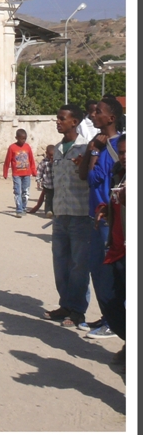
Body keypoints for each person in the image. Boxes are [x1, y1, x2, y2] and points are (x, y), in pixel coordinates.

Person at [75, 95, 123, 338]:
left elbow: (94, 178)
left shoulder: (117, 146)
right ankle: (110, 319)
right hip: (96, 216)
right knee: (98, 271)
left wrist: (96, 153)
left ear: (111, 118)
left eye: (98, 112)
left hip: (108, 218)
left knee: (107, 275)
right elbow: (83, 174)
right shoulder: (98, 142)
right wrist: (93, 149)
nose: (93, 115)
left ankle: (114, 324)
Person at [43, 104, 91, 329]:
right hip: (60, 215)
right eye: (57, 118)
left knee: (79, 266)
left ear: (75, 122)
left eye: (62, 118)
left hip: (80, 215)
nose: (58, 122)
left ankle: (78, 311)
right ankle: (65, 304)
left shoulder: (86, 148)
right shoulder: (59, 149)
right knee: (60, 264)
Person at [93, 133, 126, 371]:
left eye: (128, 153)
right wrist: (107, 208)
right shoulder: (119, 171)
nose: (124, 157)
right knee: (106, 296)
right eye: (122, 152)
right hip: (116, 250)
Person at [2, 129, 37, 218]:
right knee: (17, 192)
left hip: (27, 174)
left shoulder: (27, 147)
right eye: (21, 139)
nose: (23, 141)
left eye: (24, 139)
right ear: (16, 138)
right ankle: (19, 210)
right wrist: (5, 172)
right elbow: (7, 161)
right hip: (16, 174)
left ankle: (24, 207)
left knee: (25, 192)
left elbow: (31, 160)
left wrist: (34, 171)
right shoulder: (12, 147)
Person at [28, 145, 56, 216]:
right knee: (48, 199)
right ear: (46, 153)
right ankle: (48, 211)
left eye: (53, 155)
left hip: (56, 185)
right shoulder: (44, 162)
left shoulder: (57, 162)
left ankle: (55, 211)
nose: (51, 157)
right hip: (47, 185)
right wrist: (38, 180)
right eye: (50, 155)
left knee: (55, 199)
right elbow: (39, 172)